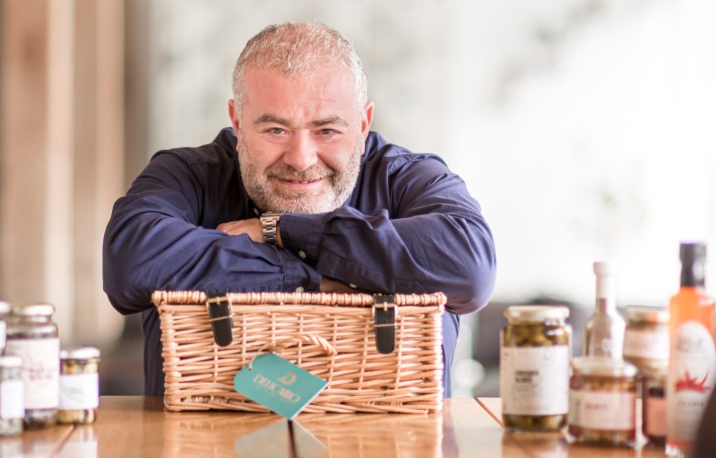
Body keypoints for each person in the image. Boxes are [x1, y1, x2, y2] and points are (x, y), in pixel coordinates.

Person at [103, 21, 497, 396]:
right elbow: (129, 263)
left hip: (398, 445)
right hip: (196, 443)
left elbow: (471, 268)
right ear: (237, 123)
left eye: (327, 130)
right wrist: (319, 279)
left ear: (363, 124)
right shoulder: (187, 174)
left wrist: (278, 230)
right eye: (276, 130)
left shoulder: (407, 177)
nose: (301, 158)